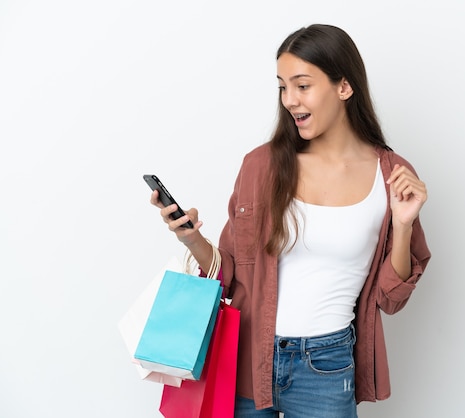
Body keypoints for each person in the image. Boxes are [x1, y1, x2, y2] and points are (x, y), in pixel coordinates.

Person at [150, 23, 431, 418]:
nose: (289, 100)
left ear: (344, 87)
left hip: (326, 367)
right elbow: (230, 273)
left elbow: (391, 299)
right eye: (282, 86)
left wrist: (402, 226)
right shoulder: (262, 165)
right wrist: (191, 239)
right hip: (250, 357)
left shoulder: (391, 175)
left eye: (302, 85)